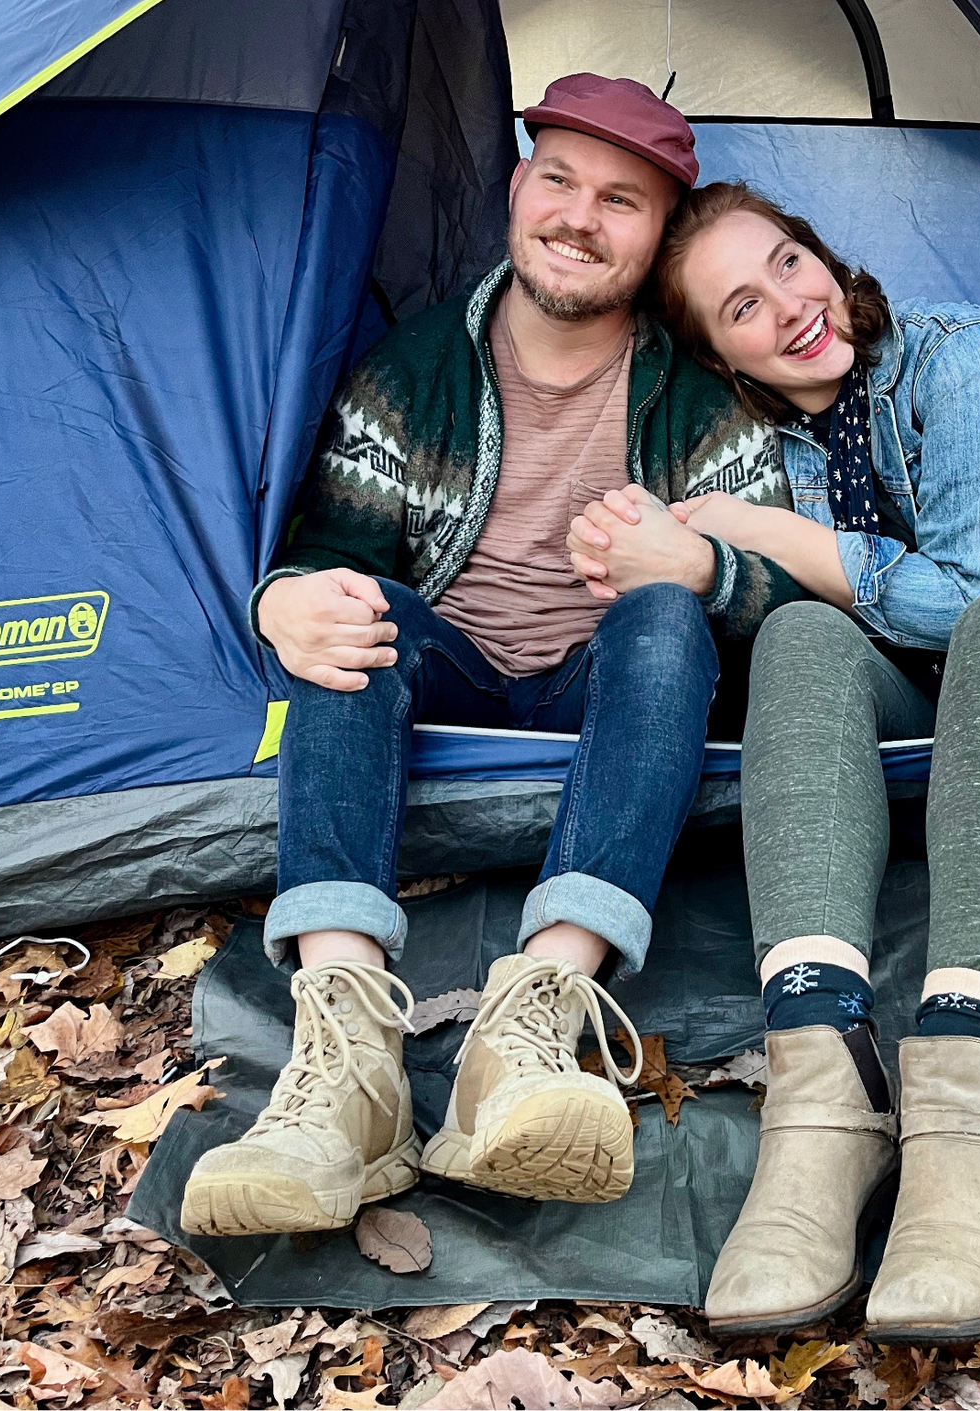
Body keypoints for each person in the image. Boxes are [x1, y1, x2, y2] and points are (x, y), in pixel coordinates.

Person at [181, 84, 802, 1240]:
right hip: (454, 661)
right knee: (349, 610)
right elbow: (324, 553)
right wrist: (282, 606)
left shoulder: (703, 402)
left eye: (622, 200)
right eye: (559, 178)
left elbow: (779, 617)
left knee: (667, 615)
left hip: (611, 682)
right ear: (516, 188)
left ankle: (529, 1024)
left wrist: (702, 567)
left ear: (657, 237)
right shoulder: (411, 370)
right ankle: (345, 1063)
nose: (580, 216)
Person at [567, 180, 980, 1344]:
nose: (793, 308)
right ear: (723, 355)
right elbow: (806, 600)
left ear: (821, 249)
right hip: (908, 690)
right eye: (744, 308)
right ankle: (824, 1085)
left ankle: (965, 1081)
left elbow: (974, 594)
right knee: (800, 633)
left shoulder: (962, 358)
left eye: (791, 263)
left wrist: (772, 536)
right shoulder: (777, 438)